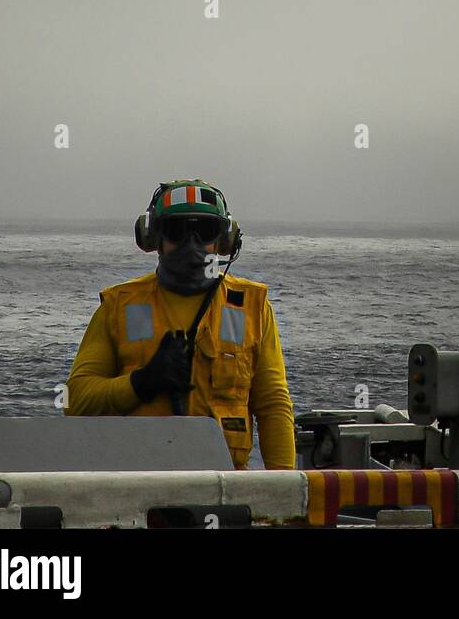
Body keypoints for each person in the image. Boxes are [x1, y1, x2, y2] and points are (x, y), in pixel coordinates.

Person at [65, 180, 296, 469]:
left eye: (204, 231)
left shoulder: (252, 307)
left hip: (226, 489)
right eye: (177, 231)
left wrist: (285, 492)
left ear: (225, 240)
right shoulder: (118, 307)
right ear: (154, 238)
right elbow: (74, 401)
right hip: (139, 488)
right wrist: (141, 382)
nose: (191, 244)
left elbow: (273, 405)